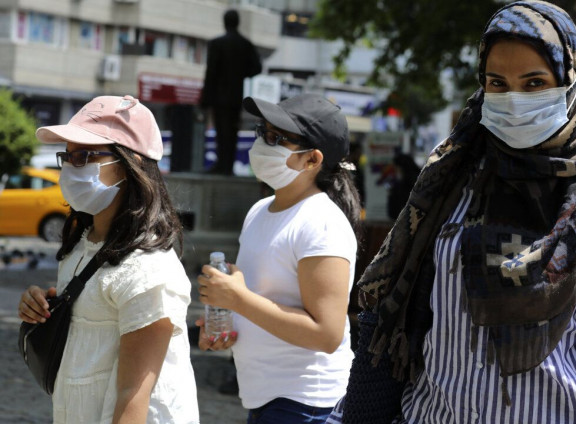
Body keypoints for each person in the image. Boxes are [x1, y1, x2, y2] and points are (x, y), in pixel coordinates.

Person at [327, 1, 576, 423]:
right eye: (497, 83)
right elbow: (401, 313)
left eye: (535, 83)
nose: (514, 100)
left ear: (572, 83)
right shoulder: (451, 176)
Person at [17, 95, 199, 423]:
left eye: (85, 155)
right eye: (68, 156)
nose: (71, 168)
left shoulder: (149, 269)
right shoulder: (82, 244)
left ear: (130, 165)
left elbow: (134, 396)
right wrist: (45, 304)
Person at [196, 93, 361, 423]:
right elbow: (261, 301)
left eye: (276, 138)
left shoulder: (321, 221)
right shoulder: (259, 211)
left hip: (308, 405)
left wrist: (239, 301)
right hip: (266, 400)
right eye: (262, 132)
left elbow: (326, 334)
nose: (262, 145)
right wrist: (226, 323)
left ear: (312, 160)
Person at [200, 9, 262, 175]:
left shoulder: (217, 43)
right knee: (232, 131)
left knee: (222, 131)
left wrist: (205, 98)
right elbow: (257, 67)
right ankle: (227, 165)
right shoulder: (245, 44)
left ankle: (222, 165)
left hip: (219, 96)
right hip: (235, 96)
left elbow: (211, 73)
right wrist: (241, 73)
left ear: (225, 22)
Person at [386, 153, 421, 220]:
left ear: (401, 168)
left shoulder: (403, 184)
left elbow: (393, 212)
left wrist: (391, 194)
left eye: (396, 168)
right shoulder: (419, 179)